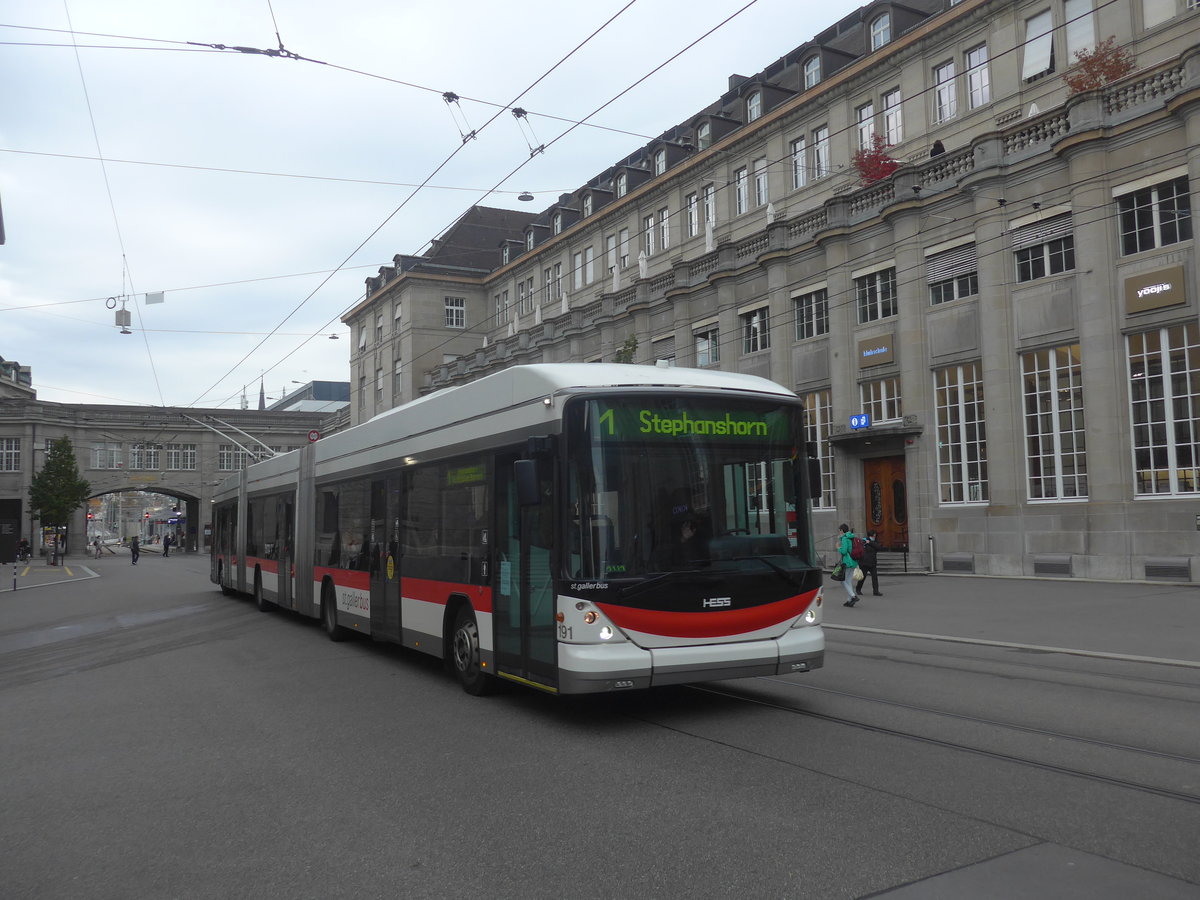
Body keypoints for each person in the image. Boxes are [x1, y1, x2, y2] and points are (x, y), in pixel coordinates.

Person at [836, 524, 859, 607]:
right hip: (853, 561)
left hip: (847, 562)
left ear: (842, 530)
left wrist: (838, 547)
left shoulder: (845, 538)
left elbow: (844, 551)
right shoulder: (851, 537)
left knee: (842, 581)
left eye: (839, 530)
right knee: (848, 581)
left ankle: (853, 596)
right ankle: (849, 600)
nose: (839, 532)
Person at [857, 529, 882, 599]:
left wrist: (870, 542)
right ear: (870, 535)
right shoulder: (864, 541)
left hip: (873, 563)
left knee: (875, 578)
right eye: (873, 535)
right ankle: (858, 589)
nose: (874, 536)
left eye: (874, 535)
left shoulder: (874, 542)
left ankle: (876, 591)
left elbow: (879, 547)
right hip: (864, 563)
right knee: (862, 577)